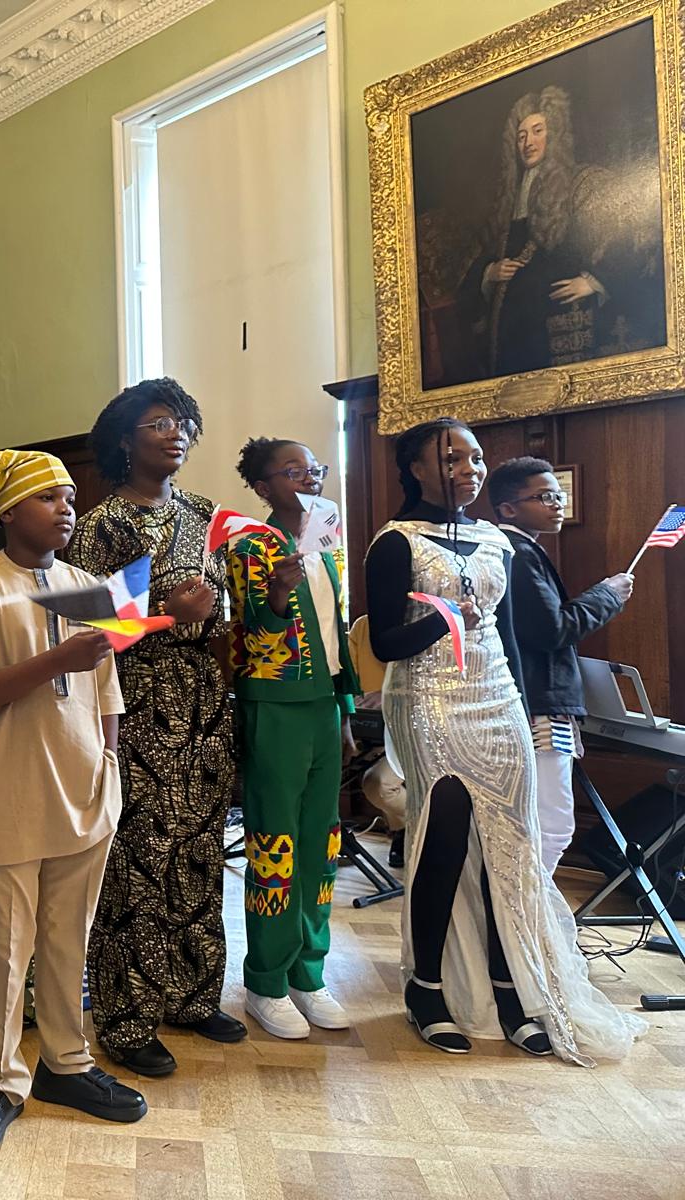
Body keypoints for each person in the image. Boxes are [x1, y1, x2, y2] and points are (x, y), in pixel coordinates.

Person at [365, 418, 643, 1065]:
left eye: (476, 456)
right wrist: (441, 626)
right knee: (443, 839)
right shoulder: (396, 542)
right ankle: (425, 988)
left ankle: (510, 988)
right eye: (452, 456)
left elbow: (513, 638)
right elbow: (384, 645)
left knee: (509, 851)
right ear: (417, 468)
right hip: (433, 699)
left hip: (501, 700)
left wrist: (523, 707)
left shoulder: (497, 541)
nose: (469, 467)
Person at [0, 449, 146, 1150]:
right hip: (10, 789)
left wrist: (110, 762)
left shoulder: (90, 583)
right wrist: (58, 661)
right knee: (5, 948)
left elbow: (106, 691)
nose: (65, 509)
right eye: (48, 498)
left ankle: (66, 1059)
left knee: (70, 937)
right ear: (8, 511)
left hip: (86, 784)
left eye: (69, 497)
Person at [62, 378, 242, 1078]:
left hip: (203, 701)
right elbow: (83, 625)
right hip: (134, 700)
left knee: (200, 851)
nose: (177, 433)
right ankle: (126, 1016)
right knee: (138, 863)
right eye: (159, 422)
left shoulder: (205, 514)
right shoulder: (101, 523)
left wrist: (230, 604)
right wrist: (166, 605)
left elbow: (223, 609)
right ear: (123, 440)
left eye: (185, 422)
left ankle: (193, 996)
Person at [227, 438, 360, 1040]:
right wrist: (277, 592)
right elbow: (255, 630)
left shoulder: (327, 534)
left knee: (319, 844)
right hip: (275, 704)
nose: (307, 477)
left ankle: (310, 972)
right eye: (291, 470)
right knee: (274, 844)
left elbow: (336, 630)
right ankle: (266, 980)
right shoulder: (249, 543)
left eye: (313, 468)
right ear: (262, 487)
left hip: (325, 705)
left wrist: (347, 709)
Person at [457, 86, 663, 382]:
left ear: (554, 133)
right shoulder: (507, 201)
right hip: (514, 332)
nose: (528, 142)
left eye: (538, 130)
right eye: (521, 135)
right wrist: (489, 272)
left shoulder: (583, 182)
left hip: (565, 324)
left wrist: (595, 280)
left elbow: (633, 232)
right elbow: (480, 260)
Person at [488, 455, 632, 871]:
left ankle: (528, 922)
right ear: (508, 508)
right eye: (545, 496)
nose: (557, 504)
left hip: (534, 700)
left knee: (536, 822)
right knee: (552, 826)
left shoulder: (518, 549)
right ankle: (532, 924)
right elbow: (551, 631)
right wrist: (607, 595)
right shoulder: (517, 552)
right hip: (540, 703)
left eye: (559, 495)